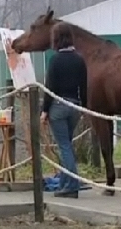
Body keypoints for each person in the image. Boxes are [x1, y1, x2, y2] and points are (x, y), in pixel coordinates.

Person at [40, 22, 88, 199]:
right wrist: (83, 106)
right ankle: (66, 182)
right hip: (75, 106)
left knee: (64, 146)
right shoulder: (80, 59)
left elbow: (50, 87)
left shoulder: (55, 60)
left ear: (56, 39)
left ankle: (71, 185)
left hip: (58, 107)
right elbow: (84, 87)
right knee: (67, 145)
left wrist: (44, 111)